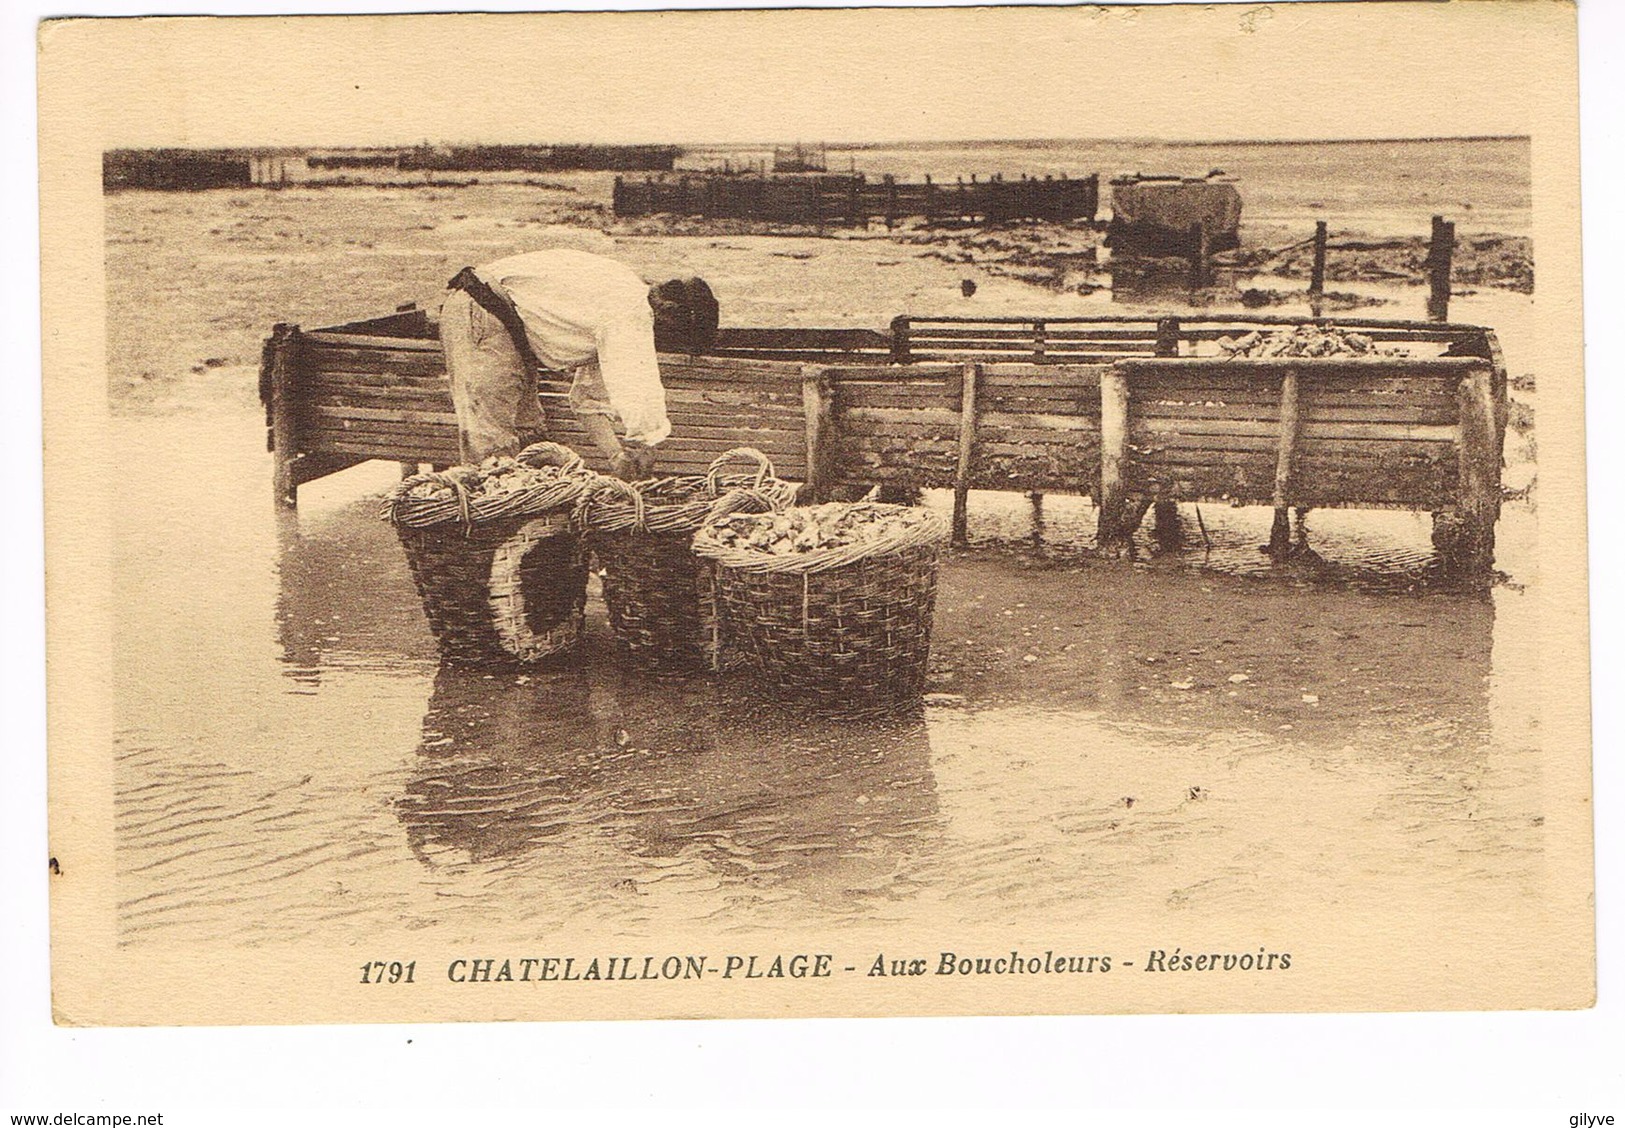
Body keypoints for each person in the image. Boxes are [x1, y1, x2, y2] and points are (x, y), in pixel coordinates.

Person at [438, 248, 718, 479]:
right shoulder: (630, 309)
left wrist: (616, 455)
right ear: (669, 316)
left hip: (506, 324)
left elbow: (587, 399)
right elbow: (636, 384)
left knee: (529, 434)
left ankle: (527, 523)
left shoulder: (613, 315)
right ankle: (493, 535)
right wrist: (646, 442)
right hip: (484, 309)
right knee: (492, 446)